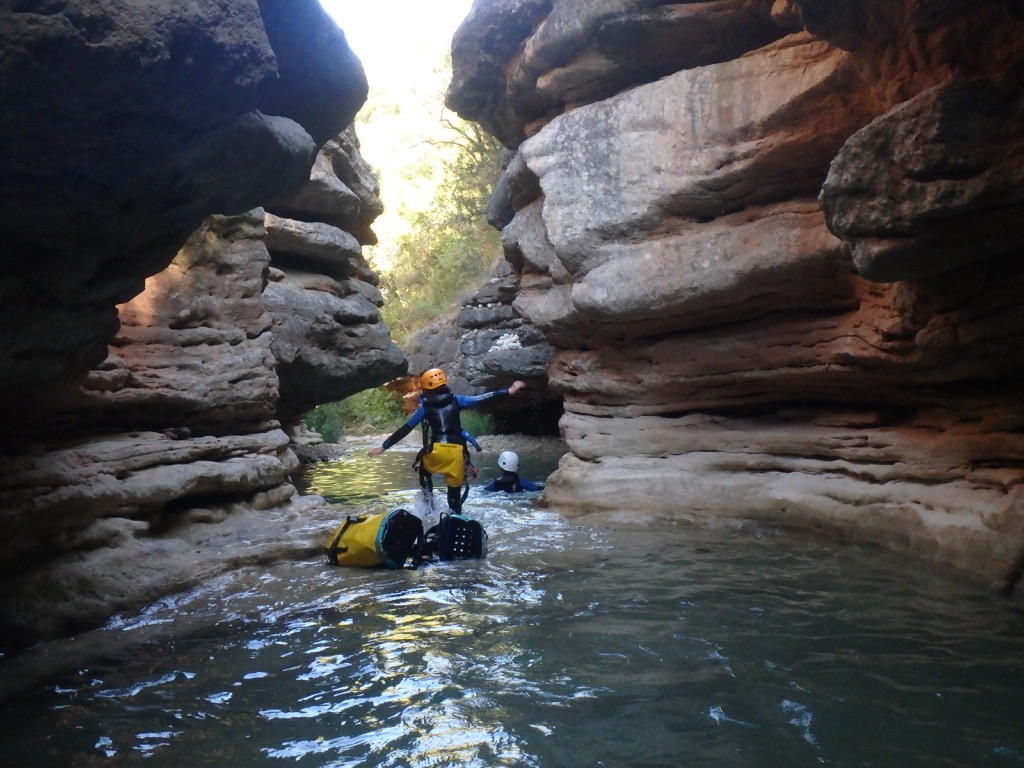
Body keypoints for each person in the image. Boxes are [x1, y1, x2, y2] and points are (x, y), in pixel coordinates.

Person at [368, 368, 525, 513]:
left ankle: (428, 504)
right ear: (444, 383)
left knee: (423, 469)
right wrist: (508, 391)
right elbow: (483, 398)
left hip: (436, 452)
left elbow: (406, 428)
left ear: (426, 388)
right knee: (454, 498)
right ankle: (456, 516)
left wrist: (384, 447)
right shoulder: (458, 400)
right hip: (456, 455)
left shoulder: (425, 408)